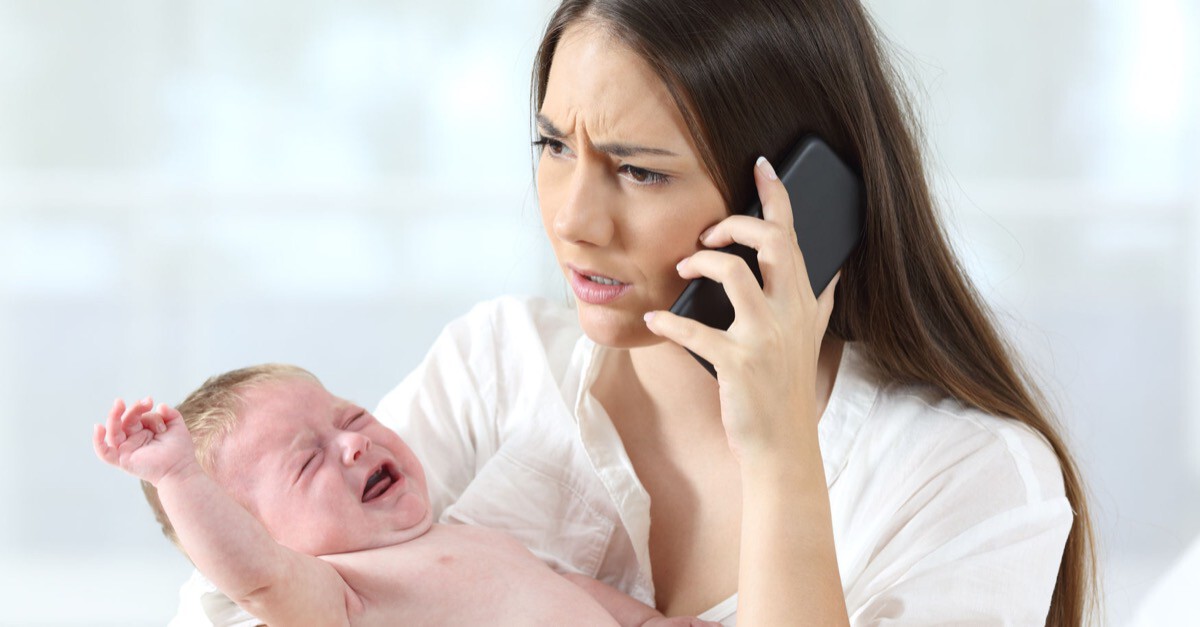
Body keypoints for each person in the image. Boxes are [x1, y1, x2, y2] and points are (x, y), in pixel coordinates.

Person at [172, 0, 1097, 624]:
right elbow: (231, 597)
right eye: (551, 145)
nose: (572, 218)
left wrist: (779, 451)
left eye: (640, 170)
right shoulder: (496, 366)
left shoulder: (970, 478)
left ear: (804, 195)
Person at [95, 365, 718, 627]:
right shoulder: (337, 592)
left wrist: (645, 622)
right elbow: (252, 577)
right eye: (309, 460)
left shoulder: (467, 535)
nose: (353, 446)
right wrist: (177, 477)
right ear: (264, 536)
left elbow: (563, 584)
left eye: (354, 418)